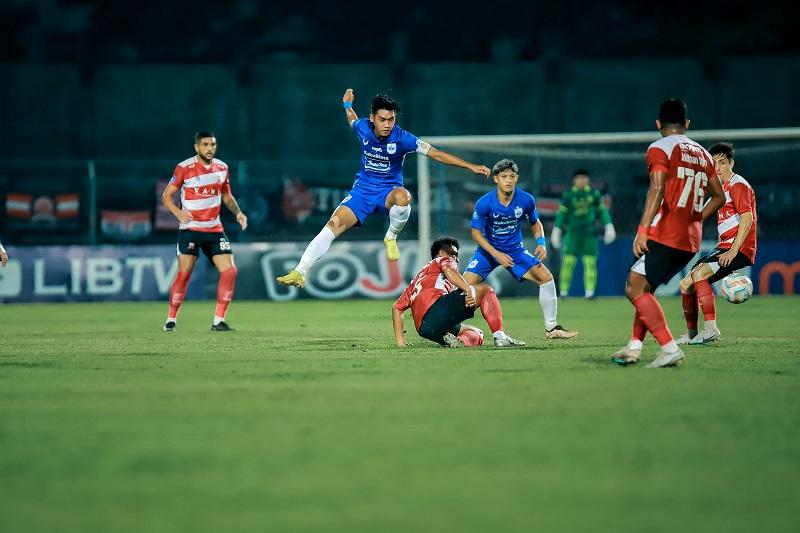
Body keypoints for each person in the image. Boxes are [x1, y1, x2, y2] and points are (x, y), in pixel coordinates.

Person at [277, 89, 490, 289]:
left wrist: (469, 166)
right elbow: (352, 118)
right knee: (331, 226)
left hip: (388, 193)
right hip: (362, 192)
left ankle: (391, 236)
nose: (387, 124)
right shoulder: (362, 128)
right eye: (382, 119)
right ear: (372, 119)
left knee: (404, 196)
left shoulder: (403, 138)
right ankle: (300, 271)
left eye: (391, 119)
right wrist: (347, 104)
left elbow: (435, 153)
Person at [611, 99, 725, 368]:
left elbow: (657, 188)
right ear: (687, 124)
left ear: (658, 124)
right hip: (691, 239)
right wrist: (696, 218)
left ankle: (669, 348)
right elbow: (719, 196)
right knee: (644, 288)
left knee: (634, 287)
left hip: (666, 232)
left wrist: (643, 229)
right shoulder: (704, 154)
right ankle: (635, 346)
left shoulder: (660, 148)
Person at [464, 159, 578, 340]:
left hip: (515, 251)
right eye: (503, 176)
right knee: (464, 287)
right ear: (496, 179)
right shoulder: (485, 203)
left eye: (512, 176)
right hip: (488, 251)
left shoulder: (526, 200)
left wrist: (541, 242)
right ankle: (452, 326)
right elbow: (476, 234)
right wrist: (497, 254)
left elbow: (536, 223)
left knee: (546, 278)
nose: (508, 180)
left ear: (516, 178)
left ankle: (551, 328)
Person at [161, 131, 248, 332]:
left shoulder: (222, 167)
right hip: (190, 229)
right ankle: (171, 319)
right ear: (197, 147)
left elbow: (226, 195)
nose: (210, 148)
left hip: (214, 229)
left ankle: (218, 321)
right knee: (184, 275)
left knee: (230, 271)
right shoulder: (184, 167)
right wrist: (177, 213)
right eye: (205, 144)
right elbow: (167, 195)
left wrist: (238, 212)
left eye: (213, 145)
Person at [677, 142, 757, 344]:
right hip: (725, 247)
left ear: (732, 163)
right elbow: (700, 215)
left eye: (722, 163)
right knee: (686, 284)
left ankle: (711, 329)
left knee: (699, 274)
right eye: (714, 163)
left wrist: (732, 251)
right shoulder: (720, 189)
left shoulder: (738, 185)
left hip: (738, 247)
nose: (718, 167)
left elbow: (747, 219)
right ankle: (692, 334)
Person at [392, 237, 525, 348]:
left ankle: (455, 341)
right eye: (454, 253)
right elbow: (450, 272)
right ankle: (500, 337)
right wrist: (468, 290)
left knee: (477, 334)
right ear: (441, 253)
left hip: (425, 329)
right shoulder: (442, 260)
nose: (456, 257)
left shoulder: (415, 281)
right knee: (485, 290)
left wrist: (400, 342)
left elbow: (397, 308)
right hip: (437, 309)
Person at [550, 169, 616, 299]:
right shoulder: (568, 195)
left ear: (588, 180)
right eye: (579, 178)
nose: (581, 181)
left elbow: (602, 212)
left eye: (584, 178)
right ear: (574, 180)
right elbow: (561, 214)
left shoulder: (594, 194)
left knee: (590, 263)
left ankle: (590, 292)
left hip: (589, 234)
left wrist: (608, 225)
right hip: (572, 234)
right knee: (568, 263)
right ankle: (563, 292)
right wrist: (556, 229)